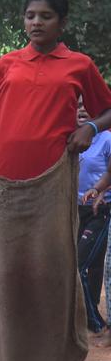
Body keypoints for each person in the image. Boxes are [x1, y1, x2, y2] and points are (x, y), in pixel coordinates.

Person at [0, 0, 111, 361]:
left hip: (53, 178)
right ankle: (11, 360)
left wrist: (89, 127)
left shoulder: (79, 64)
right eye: (30, 15)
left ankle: (55, 355)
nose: (36, 22)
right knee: (9, 269)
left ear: (62, 22)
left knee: (49, 266)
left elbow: (107, 108)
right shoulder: (8, 63)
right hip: (5, 179)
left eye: (45, 16)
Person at [74, 103, 111, 337]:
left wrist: (98, 192)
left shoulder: (106, 139)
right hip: (74, 209)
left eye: (87, 105)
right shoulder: (68, 139)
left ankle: (95, 322)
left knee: (83, 265)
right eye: (77, 105)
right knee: (83, 264)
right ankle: (82, 317)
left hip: (100, 209)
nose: (81, 110)